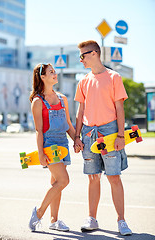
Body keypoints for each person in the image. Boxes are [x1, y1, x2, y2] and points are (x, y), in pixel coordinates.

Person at [74, 40, 132, 236]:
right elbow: (80, 111)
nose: (80, 59)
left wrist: (121, 135)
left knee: (114, 177)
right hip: (89, 134)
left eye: (83, 55)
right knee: (93, 177)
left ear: (94, 54)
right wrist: (76, 137)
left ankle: (121, 221)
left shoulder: (114, 77)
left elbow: (119, 108)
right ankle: (92, 218)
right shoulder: (83, 81)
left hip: (110, 133)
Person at [29, 63, 78, 232]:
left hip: (63, 143)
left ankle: (54, 220)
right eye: (51, 72)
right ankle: (39, 213)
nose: (55, 74)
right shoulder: (37, 101)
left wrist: (76, 140)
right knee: (63, 180)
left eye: (55, 72)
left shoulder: (62, 98)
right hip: (49, 144)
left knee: (56, 182)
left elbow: (69, 125)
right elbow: (39, 131)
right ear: (42, 77)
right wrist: (41, 153)